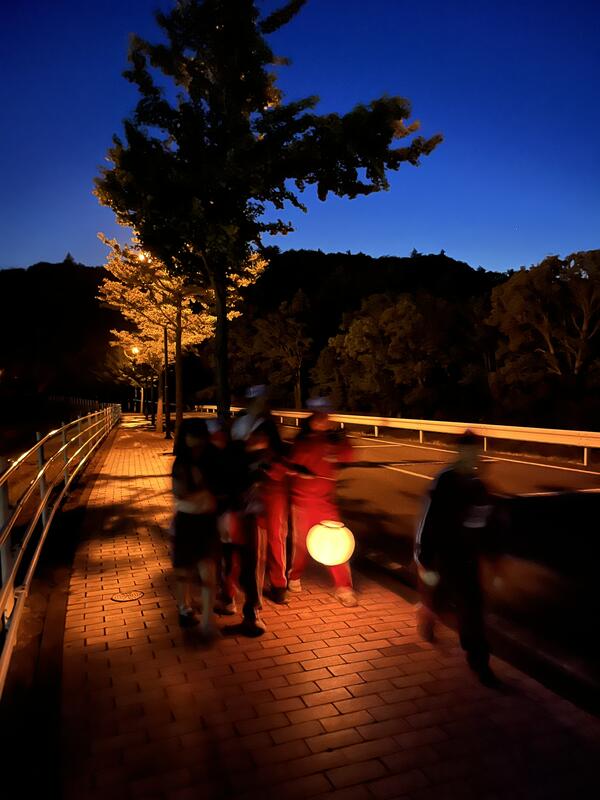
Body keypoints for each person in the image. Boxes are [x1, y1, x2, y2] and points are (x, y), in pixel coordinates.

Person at [414, 430, 499, 686]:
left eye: (476, 452)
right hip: (441, 554)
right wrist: (423, 555)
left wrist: (489, 555)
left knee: (472, 608)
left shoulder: (478, 486)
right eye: (468, 452)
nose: (473, 457)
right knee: (437, 599)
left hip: (466, 559)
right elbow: (427, 519)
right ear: (459, 453)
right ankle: (428, 615)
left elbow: (483, 526)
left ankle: (479, 661)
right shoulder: (443, 480)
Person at [287, 397, 357, 607]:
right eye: (319, 417)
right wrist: (301, 472)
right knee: (302, 544)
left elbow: (348, 457)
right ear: (312, 419)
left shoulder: (331, 441)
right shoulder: (303, 441)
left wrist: (344, 440)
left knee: (337, 543)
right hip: (303, 502)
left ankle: (344, 587)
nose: (324, 420)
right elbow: (291, 466)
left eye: (326, 417)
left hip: (326, 503)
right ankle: (294, 576)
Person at [232, 385, 290, 604]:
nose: (260, 404)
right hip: (248, 487)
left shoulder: (268, 425)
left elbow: (279, 455)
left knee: (275, 535)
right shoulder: (241, 423)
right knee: (249, 537)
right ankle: (245, 584)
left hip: (271, 487)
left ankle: (278, 584)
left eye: (263, 400)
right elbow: (236, 454)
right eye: (256, 400)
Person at [218, 418, 271, 637]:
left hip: (234, 517)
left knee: (236, 564)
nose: (262, 439)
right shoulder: (247, 460)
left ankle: (240, 607)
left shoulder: (237, 457)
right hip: (241, 519)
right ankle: (249, 613)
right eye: (256, 435)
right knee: (246, 566)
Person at [170, 418, 220, 637]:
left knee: (208, 571)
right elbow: (180, 493)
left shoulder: (212, 458)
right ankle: (184, 609)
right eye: (192, 435)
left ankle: (207, 621)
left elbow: (220, 487)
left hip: (206, 520)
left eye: (200, 435)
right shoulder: (181, 463)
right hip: (187, 520)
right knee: (184, 571)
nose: (196, 440)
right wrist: (205, 490)